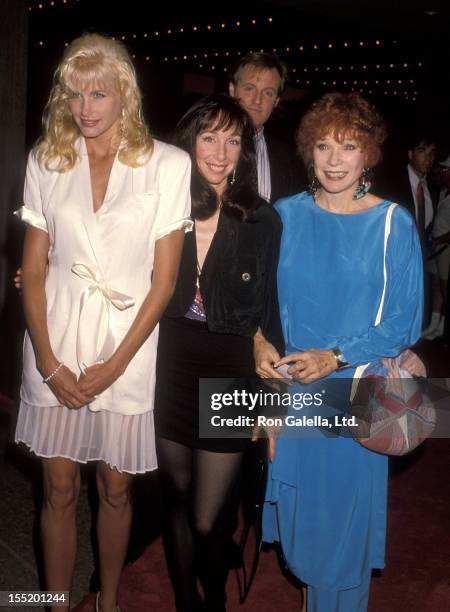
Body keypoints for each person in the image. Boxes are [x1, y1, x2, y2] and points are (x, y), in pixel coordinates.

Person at [14, 33, 191, 612]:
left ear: (125, 97)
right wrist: (46, 359)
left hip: (129, 344)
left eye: (98, 93)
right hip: (54, 335)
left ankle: (109, 602)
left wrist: (115, 365)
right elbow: (33, 269)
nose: (85, 107)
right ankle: (52, 603)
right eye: (73, 94)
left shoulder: (167, 164)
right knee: (58, 487)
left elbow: (164, 282)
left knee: (116, 488)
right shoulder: (47, 157)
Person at [254, 92, 423, 612]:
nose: (332, 159)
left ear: (368, 154)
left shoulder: (393, 223)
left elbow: (404, 322)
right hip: (293, 395)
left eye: (348, 147)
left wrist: (335, 355)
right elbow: (261, 303)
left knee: (341, 539)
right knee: (306, 533)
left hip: (354, 396)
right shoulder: (283, 216)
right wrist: (260, 346)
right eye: (323, 145)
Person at [154, 94, 283, 612]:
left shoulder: (262, 219)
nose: (221, 151)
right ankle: (191, 602)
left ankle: (213, 598)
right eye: (209, 136)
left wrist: (271, 399)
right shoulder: (161, 205)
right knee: (177, 496)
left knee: (209, 517)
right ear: (189, 141)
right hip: (167, 364)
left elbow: (271, 311)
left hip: (231, 369)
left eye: (234, 140)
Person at [229, 52, 303, 203]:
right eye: (249, 88)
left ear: (276, 101)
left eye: (268, 93)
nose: (257, 100)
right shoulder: (197, 148)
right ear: (232, 90)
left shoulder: (291, 162)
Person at [425, 154, 450, 338]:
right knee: (436, 287)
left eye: (445, 170)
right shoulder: (443, 192)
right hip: (436, 248)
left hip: (445, 248)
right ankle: (435, 327)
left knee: (445, 288)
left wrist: (438, 241)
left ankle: (444, 330)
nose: (442, 172)